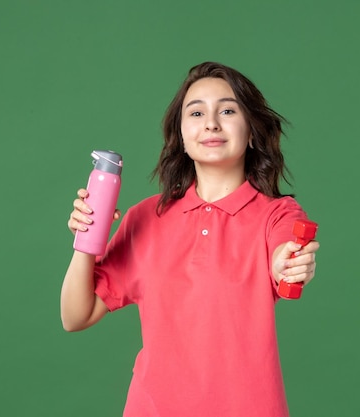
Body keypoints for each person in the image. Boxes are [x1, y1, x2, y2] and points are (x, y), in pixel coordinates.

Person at [61, 61, 320, 416]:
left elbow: (285, 251)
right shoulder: (145, 218)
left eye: (227, 110)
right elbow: (75, 316)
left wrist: (286, 264)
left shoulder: (276, 215)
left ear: (252, 132)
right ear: (181, 136)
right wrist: (86, 241)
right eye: (196, 113)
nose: (211, 123)